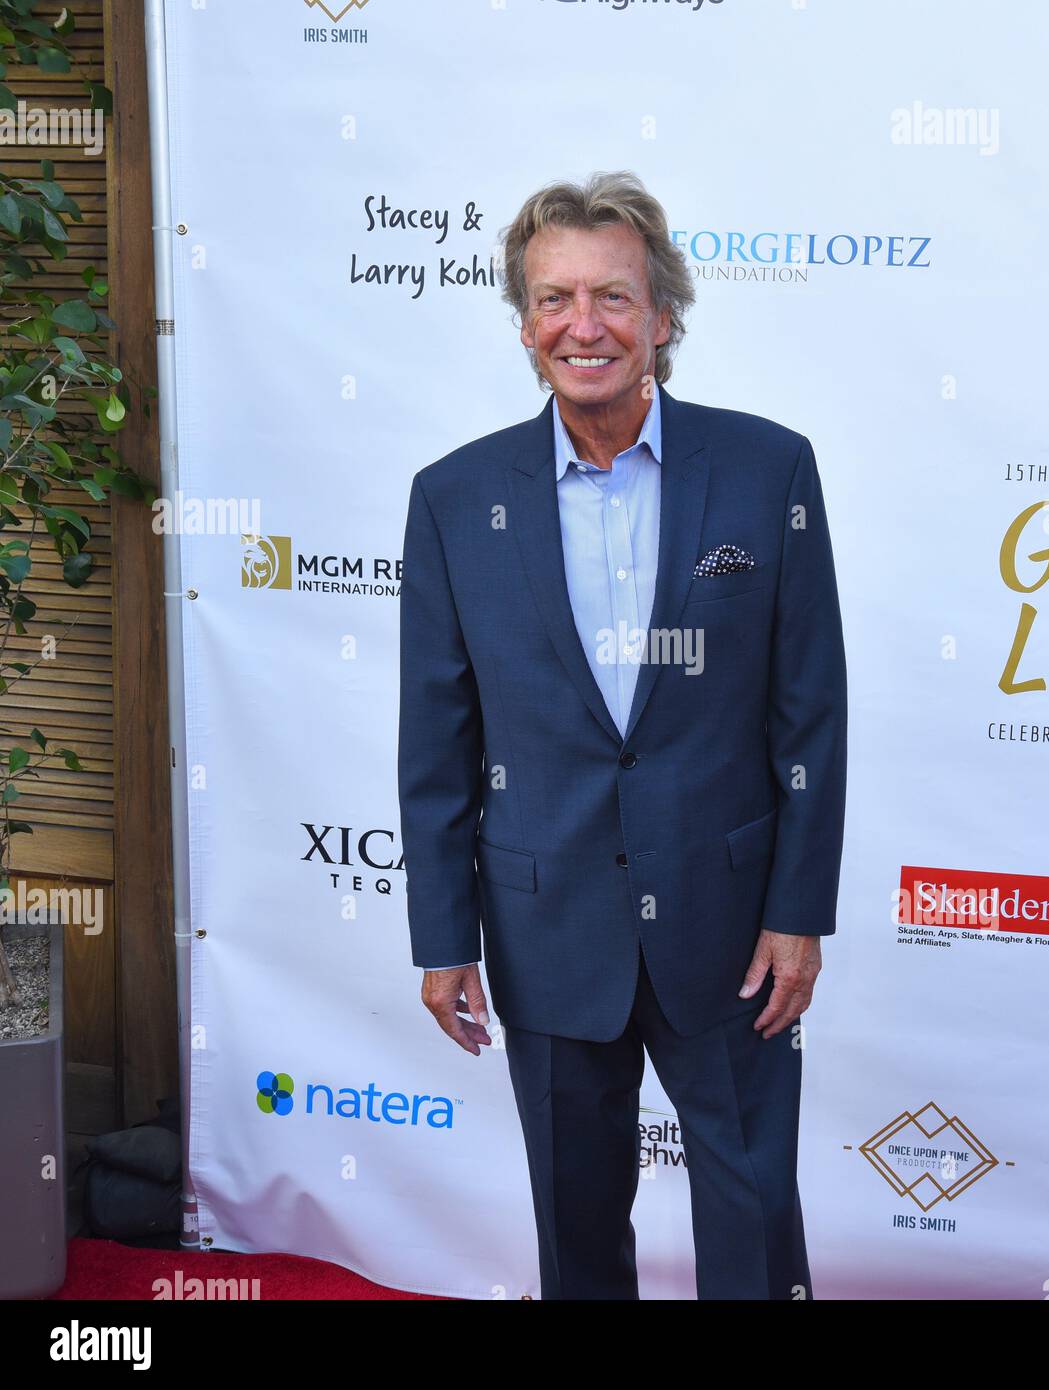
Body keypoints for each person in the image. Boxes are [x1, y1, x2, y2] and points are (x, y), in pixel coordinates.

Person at [398, 170, 847, 1300]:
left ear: (661, 320)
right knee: (576, 1225)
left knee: (750, 1213)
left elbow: (810, 709)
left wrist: (797, 912)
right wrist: (442, 934)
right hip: (547, 923)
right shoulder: (455, 498)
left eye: (611, 298)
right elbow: (437, 738)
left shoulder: (766, 469)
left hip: (730, 920)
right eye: (554, 300)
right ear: (523, 323)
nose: (582, 325)